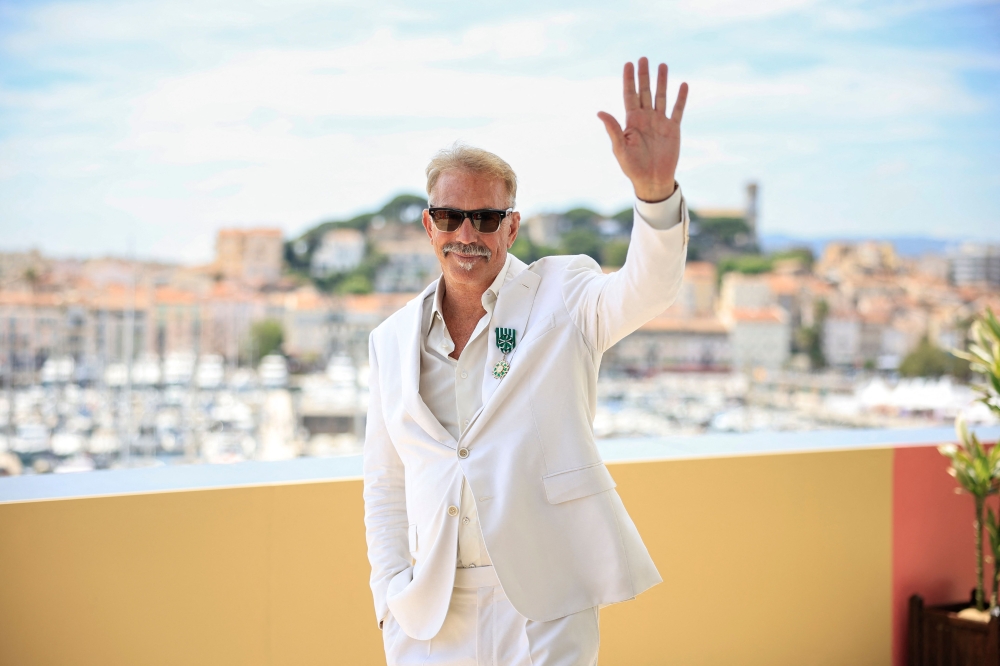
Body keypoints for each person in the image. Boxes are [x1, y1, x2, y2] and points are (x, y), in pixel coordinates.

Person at [363, 57, 690, 665]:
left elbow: (648, 289)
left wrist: (654, 194)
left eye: (486, 218)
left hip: (546, 601)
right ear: (429, 226)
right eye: (450, 217)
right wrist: (389, 597)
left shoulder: (563, 294)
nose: (467, 234)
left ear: (511, 228)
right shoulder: (390, 340)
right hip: (430, 613)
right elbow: (385, 484)